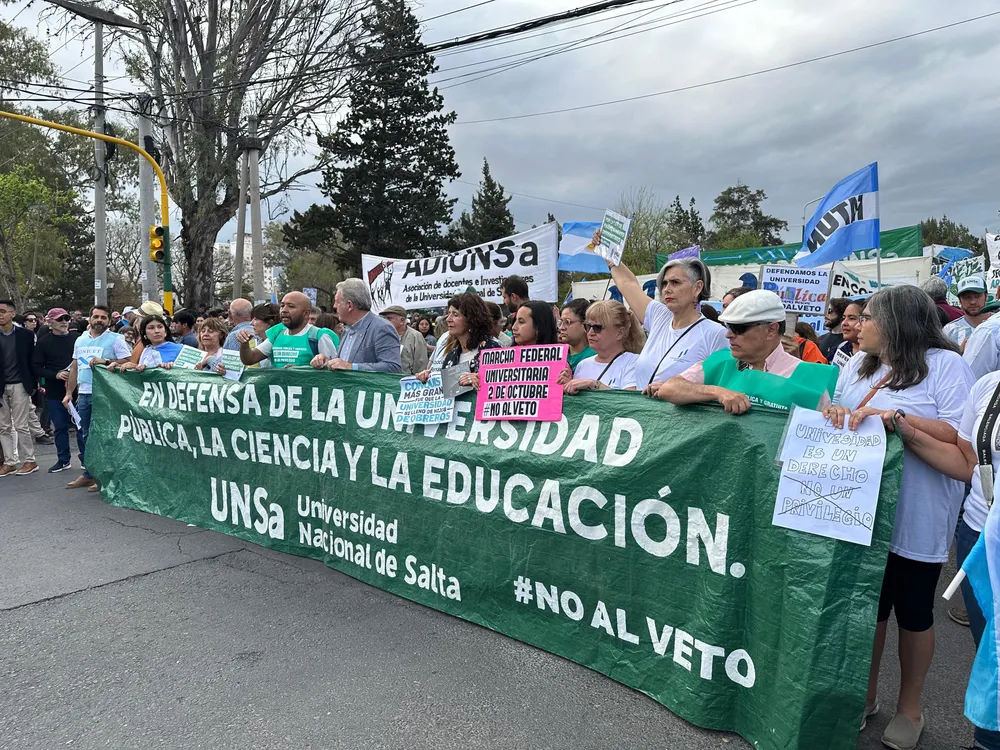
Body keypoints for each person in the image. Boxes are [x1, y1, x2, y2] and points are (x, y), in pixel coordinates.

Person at [821, 284, 974, 750]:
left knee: (913, 613)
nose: (858, 324)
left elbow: (958, 434)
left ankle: (911, 709)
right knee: (869, 610)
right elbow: (835, 407)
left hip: (918, 513)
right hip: (858, 511)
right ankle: (863, 697)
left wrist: (896, 417)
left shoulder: (947, 366)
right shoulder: (856, 363)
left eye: (868, 316)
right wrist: (834, 412)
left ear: (897, 322)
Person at [659, 290, 837, 413]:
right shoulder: (721, 362)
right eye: (728, 327)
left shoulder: (810, 380)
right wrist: (718, 392)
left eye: (739, 328)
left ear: (771, 330)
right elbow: (670, 388)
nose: (728, 335)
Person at [606, 255, 728, 396]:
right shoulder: (659, 316)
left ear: (697, 288)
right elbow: (628, 283)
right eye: (664, 283)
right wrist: (609, 254)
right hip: (641, 415)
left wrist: (673, 390)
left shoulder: (716, 333)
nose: (667, 289)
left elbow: (723, 386)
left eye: (675, 282)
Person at [62, 305, 132, 491]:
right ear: (90, 319)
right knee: (86, 434)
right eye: (96, 316)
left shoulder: (116, 339)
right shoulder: (80, 340)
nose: (99, 320)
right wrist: (69, 393)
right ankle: (90, 473)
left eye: (103, 317)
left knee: (107, 434)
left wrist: (107, 361)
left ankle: (108, 475)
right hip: (84, 393)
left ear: (109, 321)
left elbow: (129, 361)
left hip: (106, 394)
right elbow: (75, 368)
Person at [312, 280, 401, 373]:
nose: (334, 306)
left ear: (349, 305)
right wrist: (327, 361)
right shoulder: (347, 330)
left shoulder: (382, 328)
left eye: (337, 302)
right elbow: (343, 364)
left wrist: (352, 366)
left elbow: (392, 367)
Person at [416, 293, 500, 389]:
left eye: (455, 314)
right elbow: (447, 390)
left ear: (471, 319)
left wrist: (482, 381)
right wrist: (429, 377)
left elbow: (503, 387)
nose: (448, 319)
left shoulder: (492, 350)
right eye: (449, 313)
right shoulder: (451, 355)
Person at [239, 292, 339, 369]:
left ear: (306, 313)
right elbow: (250, 359)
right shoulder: (277, 334)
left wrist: (304, 371)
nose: (284, 310)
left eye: (291, 306)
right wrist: (244, 344)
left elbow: (332, 374)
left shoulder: (319, 336)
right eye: (282, 306)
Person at [561, 300, 645, 393]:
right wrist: (568, 386)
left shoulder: (633, 362)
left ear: (619, 333)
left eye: (597, 328)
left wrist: (594, 384)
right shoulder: (583, 365)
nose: (590, 333)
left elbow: (630, 402)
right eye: (588, 326)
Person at [32, 308, 78, 473]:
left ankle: (86, 459)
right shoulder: (44, 342)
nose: (64, 322)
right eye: (60, 319)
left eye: (66, 318)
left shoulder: (77, 338)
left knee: (81, 426)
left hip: (78, 390)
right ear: (50, 322)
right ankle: (63, 459)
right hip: (55, 390)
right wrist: (56, 374)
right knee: (59, 426)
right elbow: (36, 367)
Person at [0, 299, 38, 476]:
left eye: (3, 311)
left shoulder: (25, 335)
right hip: (1, 386)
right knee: (3, 426)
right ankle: (10, 462)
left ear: (12, 314)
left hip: (20, 384)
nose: (0, 315)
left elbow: (32, 361)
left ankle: (29, 460)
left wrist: (34, 383)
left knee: (22, 424)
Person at [109, 315, 182, 371]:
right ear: (144, 333)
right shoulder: (146, 350)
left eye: (160, 327)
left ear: (165, 331)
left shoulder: (180, 349)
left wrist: (173, 368)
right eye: (151, 328)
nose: (156, 331)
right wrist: (119, 366)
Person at [944, 274, 991, 352]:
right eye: (967, 297)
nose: (973, 302)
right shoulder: (949, 331)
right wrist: (957, 354)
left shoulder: (996, 324)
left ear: (986, 296)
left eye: (977, 296)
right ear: (960, 300)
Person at [380, 305, 428, 376]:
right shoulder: (382, 336)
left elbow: (421, 364)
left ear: (402, 320)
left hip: (407, 383)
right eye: (385, 319)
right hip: (386, 381)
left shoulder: (415, 336)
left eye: (389, 319)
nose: (385, 322)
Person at [559, 299, 595, 369]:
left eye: (567, 322)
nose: (561, 328)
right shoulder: (558, 355)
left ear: (584, 325)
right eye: (560, 322)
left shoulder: (595, 356)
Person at [830, 299, 865, 368]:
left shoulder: (878, 355)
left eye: (851, 318)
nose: (844, 323)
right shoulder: (839, 349)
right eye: (843, 318)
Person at [816, 297, 850, 362]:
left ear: (841, 314)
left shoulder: (850, 342)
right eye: (825, 311)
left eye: (830, 311)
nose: (825, 315)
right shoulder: (820, 339)